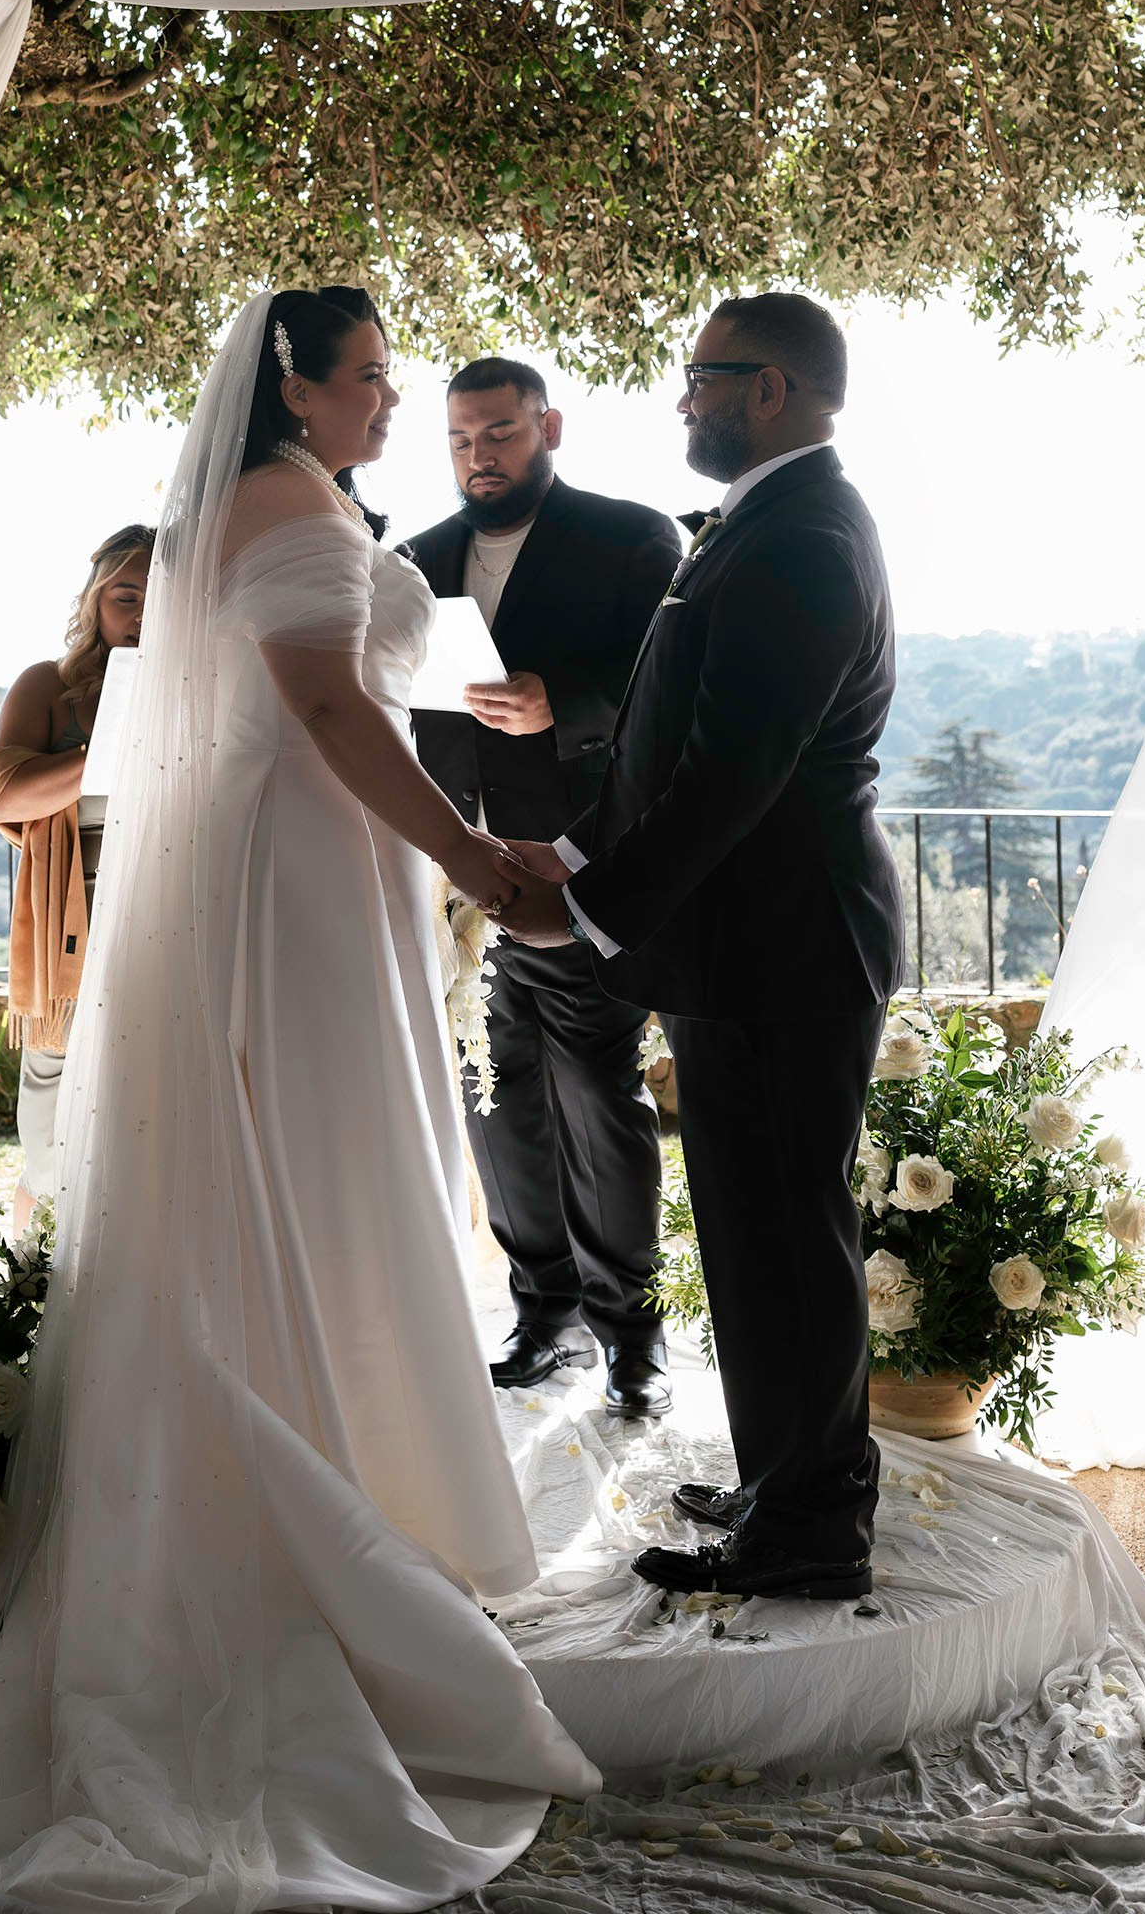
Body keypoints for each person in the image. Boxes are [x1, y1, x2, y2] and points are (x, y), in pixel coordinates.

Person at [0, 289, 594, 1910]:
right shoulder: (285, 503)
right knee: (304, 1174)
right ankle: (306, 1525)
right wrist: (468, 854)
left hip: (298, 869)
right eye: (369, 378)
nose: (391, 401)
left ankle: (347, 1476)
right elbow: (318, 708)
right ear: (293, 384)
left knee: (308, 1185)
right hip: (291, 886)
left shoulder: (288, 503)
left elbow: (338, 698)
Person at [499, 294, 903, 1603]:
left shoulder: (807, 536)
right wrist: (569, 859)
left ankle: (812, 1530)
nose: (682, 400)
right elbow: (662, 748)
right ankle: (789, 1474)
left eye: (701, 379)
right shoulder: (771, 522)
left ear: (771, 390)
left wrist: (593, 906)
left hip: (787, 941)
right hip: (746, 942)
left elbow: (734, 772)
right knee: (750, 1232)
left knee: (787, 1234)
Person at [406, 357, 681, 1417]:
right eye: (461, 442)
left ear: (548, 425)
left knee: (597, 1100)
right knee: (494, 1094)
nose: (480, 457)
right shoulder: (415, 559)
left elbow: (661, 689)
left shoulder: (631, 537)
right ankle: (540, 1312)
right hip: (456, 877)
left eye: (500, 435)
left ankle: (630, 1330)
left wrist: (557, 707)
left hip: (580, 871)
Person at [0, 524, 155, 1232]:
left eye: (161, 595)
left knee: (146, 1093)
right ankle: (40, 1263)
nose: (143, 611)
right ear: (94, 602)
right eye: (126, 595)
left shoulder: (208, 686)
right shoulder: (48, 687)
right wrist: (108, 750)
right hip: (72, 918)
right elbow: (4, 795)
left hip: (166, 907)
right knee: (52, 1100)